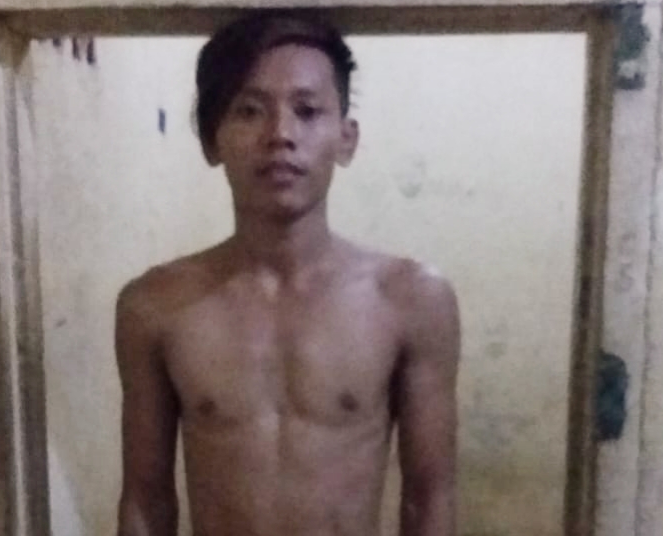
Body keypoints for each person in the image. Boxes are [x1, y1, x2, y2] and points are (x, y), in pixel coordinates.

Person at [115, 9, 460, 536]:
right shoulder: (156, 307)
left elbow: (429, 499)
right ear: (211, 140)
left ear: (346, 138)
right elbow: (146, 500)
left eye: (307, 110)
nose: (280, 134)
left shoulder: (409, 299)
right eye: (249, 110)